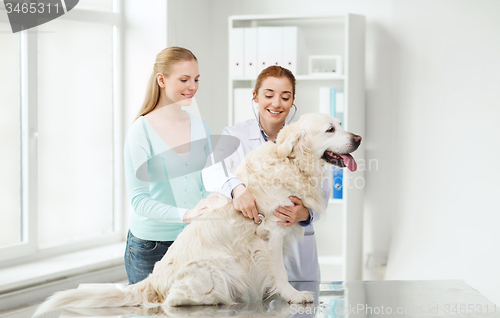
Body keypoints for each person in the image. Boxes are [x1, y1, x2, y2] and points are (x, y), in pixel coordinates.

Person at [202, 65, 330, 282]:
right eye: (268, 95)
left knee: (300, 310)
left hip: (295, 255)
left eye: (285, 97)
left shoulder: (309, 137)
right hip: (247, 250)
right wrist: (236, 188)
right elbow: (211, 170)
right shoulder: (235, 135)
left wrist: (305, 215)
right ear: (255, 96)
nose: (276, 103)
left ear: (292, 101)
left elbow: (322, 191)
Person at [124, 47, 214, 284]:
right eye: (184, 79)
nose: (192, 86)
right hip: (150, 247)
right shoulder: (140, 131)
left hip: (194, 241)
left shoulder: (200, 126)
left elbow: (207, 184)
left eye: (196, 79)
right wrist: (186, 215)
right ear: (161, 80)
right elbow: (139, 201)